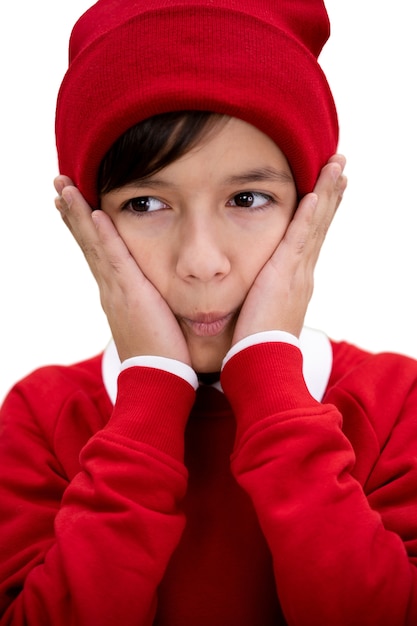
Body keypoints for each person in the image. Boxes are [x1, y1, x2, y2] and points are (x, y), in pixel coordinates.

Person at [0, 0, 416, 624]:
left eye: (248, 198)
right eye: (145, 204)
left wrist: (273, 388)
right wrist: (150, 402)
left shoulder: (395, 405)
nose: (201, 261)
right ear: (90, 225)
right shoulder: (42, 416)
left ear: (312, 210)